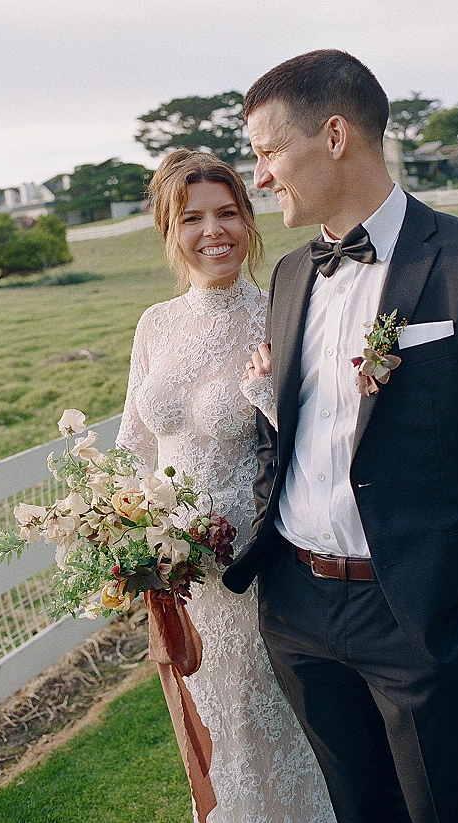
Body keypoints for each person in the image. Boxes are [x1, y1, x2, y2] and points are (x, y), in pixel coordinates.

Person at [223, 49, 458, 823]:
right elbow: (290, 426)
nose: (261, 176)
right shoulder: (290, 276)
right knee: (358, 809)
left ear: (334, 135)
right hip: (298, 608)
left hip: (416, 609)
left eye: (270, 151)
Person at [116, 149, 335, 823]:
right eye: (194, 217)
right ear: (169, 229)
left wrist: (268, 396)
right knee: (214, 734)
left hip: (259, 573)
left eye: (229, 212)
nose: (215, 231)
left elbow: (317, 446)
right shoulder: (155, 324)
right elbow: (133, 446)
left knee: (274, 726)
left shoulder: (280, 315)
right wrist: (130, 536)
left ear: (249, 219)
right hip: (184, 586)